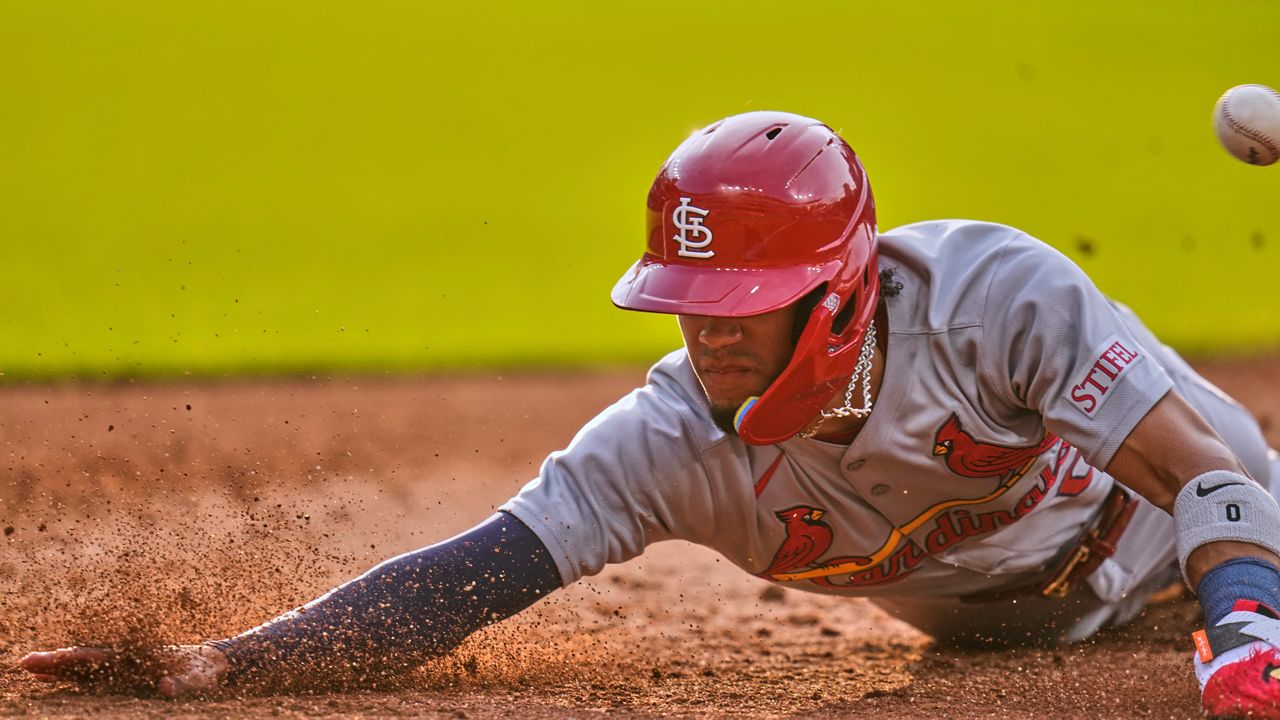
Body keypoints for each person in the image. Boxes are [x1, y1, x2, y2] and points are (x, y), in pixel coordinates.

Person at [21, 111, 1280, 718]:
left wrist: (1242, 631)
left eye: (744, 300)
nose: (707, 330)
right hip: (1008, 645)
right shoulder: (670, 443)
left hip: (1225, 552)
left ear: (837, 296)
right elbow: (471, 580)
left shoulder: (989, 300)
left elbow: (1209, 469)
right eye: (689, 300)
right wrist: (228, 660)